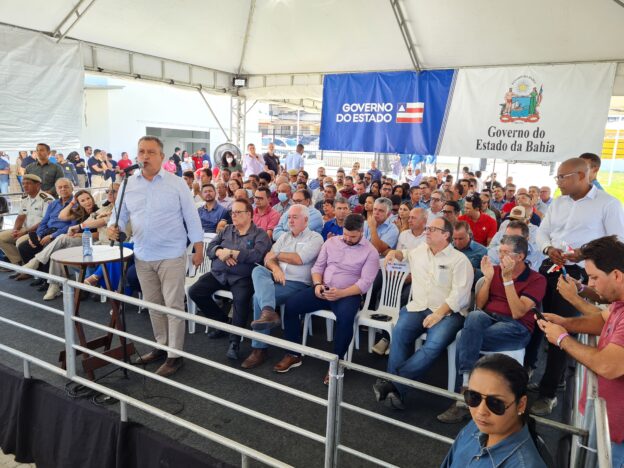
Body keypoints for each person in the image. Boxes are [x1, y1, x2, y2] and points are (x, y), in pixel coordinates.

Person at [531, 157, 624, 415]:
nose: (558, 182)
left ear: (583, 176)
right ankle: (530, 369)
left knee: (563, 331)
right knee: (538, 320)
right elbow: (542, 232)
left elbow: (616, 245)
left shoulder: (608, 204)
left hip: (581, 274)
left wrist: (582, 255)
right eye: (557, 177)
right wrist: (549, 248)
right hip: (550, 267)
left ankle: (549, 392)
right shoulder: (558, 203)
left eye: (563, 177)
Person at [107, 136, 204, 378]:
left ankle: (175, 355)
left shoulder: (177, 183)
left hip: (171, 253)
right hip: (142, 253)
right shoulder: (129, 184)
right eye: (141, 152)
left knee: (173, 306)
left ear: (162, 156)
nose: (145, 156)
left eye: (151, 152)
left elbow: (192, 217)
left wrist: (199, 247)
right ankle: (161, 346)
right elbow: (118, 216)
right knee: (153, 305)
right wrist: (112, 227)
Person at [438, 236, 546, 423]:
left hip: (516, 328)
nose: (500, 256)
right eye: (499, 251)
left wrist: (507, 281)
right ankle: (467, 386)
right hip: (489, 319)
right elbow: (480, 305)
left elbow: (518, 312)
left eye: (505, 253)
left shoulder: (537, 279)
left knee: (465, 336)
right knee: (474, 316)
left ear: (520, 256)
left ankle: (463, 395)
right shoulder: (495, 271)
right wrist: (488, 279)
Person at [537, 236, 624, 464]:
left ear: (617, 275)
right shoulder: (619, 302)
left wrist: (563, 339)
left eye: (594, 277)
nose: (591, 284)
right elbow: (602, 321)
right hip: (607, 423)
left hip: (618, 437)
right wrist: (564, 323)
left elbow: (608, 365)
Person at [373, 217, 473, 409]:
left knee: (433, 345)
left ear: (446, 235)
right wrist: (393, 253)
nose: (427, 231)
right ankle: (397, 391)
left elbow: (460, 295)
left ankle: (393, 382)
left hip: (448, 313)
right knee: (400, 333)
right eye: (427, 228)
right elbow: (404, 253)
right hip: (418, 306)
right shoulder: (420, 251)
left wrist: (439, 314)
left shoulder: (460, 261)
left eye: (433, 229)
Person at [275, 214, 379, 383]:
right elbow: (318, 267)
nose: (347, 239)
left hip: (348, 294)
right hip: (323, 289)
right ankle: (293, 353)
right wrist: (317, 285)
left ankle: (336, 363)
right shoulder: (331, 242)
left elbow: (365, 283)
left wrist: (341, 293)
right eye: (345, 234)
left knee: (345, 319)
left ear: (361, 232)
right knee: (291, 305)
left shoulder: (370, 252)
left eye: (352, 236)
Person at [242, 205, 324, 369]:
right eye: (289, 217)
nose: (290, 220)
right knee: (258, 269)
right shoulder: (284, 237)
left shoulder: (315, 238)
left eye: (295, 217)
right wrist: (276, 267)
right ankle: (268, 313)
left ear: (306, 220)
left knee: (257, 297)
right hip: (277, 277)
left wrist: (277, 256)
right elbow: (267, 259)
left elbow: (300, 259)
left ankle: (259, 348)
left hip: (298, 283)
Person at [188, 199, 271, 359]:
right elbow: (210, 248)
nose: (234, 215)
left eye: (238, 212)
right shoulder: (227, 230)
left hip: (242, 277)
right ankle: (223, 322)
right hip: (220, 273)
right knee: (195, 291)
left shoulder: (260, 234)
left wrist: (232, 253)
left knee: (240, 301)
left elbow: (257, 255)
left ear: (249, 214)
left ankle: (235, 342)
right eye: (232, 212)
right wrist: (220, 252)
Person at [441, 354, 546, 467]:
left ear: (521, 404)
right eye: (474, 397)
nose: (480, 411)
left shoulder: (525, 464)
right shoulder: (475, 427)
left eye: (495, 403)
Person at [23, 190, 99, 300]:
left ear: (92, 198)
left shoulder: (98, 211)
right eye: (82, 200)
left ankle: (36, 261)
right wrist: (72, 203)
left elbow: (98, 235)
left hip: (92, 243)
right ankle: (54, 286)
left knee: (62, 237)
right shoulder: (79, 212)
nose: (87, 202)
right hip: (78, 243)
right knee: (57, 252)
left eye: (88, 198)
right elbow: (62, 216)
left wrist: (77, 234)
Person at [15, 178, 75, 281]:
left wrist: (52, 236)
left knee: (47, 246)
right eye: (60, 187)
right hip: (47, 231)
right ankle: (40, 275)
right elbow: (44, 222)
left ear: (72, 188)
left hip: (61, 234)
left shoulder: (76, 204)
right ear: (56, 190)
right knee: (24, 246)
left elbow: (72, 226)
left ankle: (48, 281)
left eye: (66, 187)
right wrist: (39, 234)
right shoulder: (53, 204)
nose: (63, 189)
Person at [0, 175, 53, 272]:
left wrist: (24, 232)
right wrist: (15, 229)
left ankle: (28, 269)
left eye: (28, 183)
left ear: (38, 185)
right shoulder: (25, 197)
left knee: (20, 241)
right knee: (1, 237)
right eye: (23, 184)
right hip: (25, 229)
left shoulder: (46, 199)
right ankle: (18, 264)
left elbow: (44, 221)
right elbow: (21, 216)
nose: (25, 186)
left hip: (39, 231)